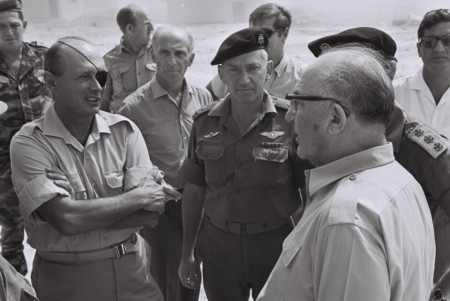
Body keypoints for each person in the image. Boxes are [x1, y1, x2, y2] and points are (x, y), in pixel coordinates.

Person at [9, 36, 181, 300]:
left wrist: (81, 209)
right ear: (52, 82)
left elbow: (149, 215)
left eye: (101, 77)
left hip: (133, 273)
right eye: (84, 77)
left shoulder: (124, 131)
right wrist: (137, 197)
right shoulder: (29, 143)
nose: (97, 87)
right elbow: (67, 219)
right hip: (67, 279)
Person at [258, 47, 435, 301]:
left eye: (298, 103)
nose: (290, 115)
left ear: (335, 118)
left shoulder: (346, 217)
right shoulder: (400, 180)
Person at [308, 27, 450, 298]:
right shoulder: (324, 136)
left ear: (388, 74)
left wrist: (441, 290)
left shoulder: (422, 149)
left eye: (353, 74)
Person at [178, 27, 302, 301]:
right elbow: (195, 191)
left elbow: (311, 192)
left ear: (268, 70)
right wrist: (188, 253)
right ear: (221, 74)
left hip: (275, 245)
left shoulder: (291, 121)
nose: (244, 79)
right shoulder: (203, 123)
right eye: (233, 70)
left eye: (253, 68)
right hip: (220, 248)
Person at [117, 26, 213, 301]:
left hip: (199, 201)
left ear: (191, 59)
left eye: (180, 53)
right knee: (163, 278)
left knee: (193, 272)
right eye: (165, 53)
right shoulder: (133, 107)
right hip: (162, 208)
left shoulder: (204, 98)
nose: (172, 60)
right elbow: (122, 162)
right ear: (153, 56)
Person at [0, 0, 52, 275]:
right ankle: (16, 291)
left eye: (14, 25)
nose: (9, 31)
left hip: (48, 164)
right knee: (11, 240)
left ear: (24, 26)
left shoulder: (47, 58)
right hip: (4, 167)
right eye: (1, 26)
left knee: (56, 229)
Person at [206, 3, 303, 100]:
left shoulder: (301, 79)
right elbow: (208, 98)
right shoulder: (236, 69)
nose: (257, 40)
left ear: (284, 34)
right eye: (252, 33)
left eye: (265, 33)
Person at [394, 9, 450, 138]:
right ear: (419, 49)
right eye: (429, 42)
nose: (439, 49)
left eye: (448, 41)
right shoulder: (394, 95)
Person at [101, 4, 155, 113]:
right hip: (122, 125)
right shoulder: (108, 60)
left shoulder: (159, 53)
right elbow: (103, 103)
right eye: (147, 24)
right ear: (130, 29)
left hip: (154, 124)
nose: (152, 28)